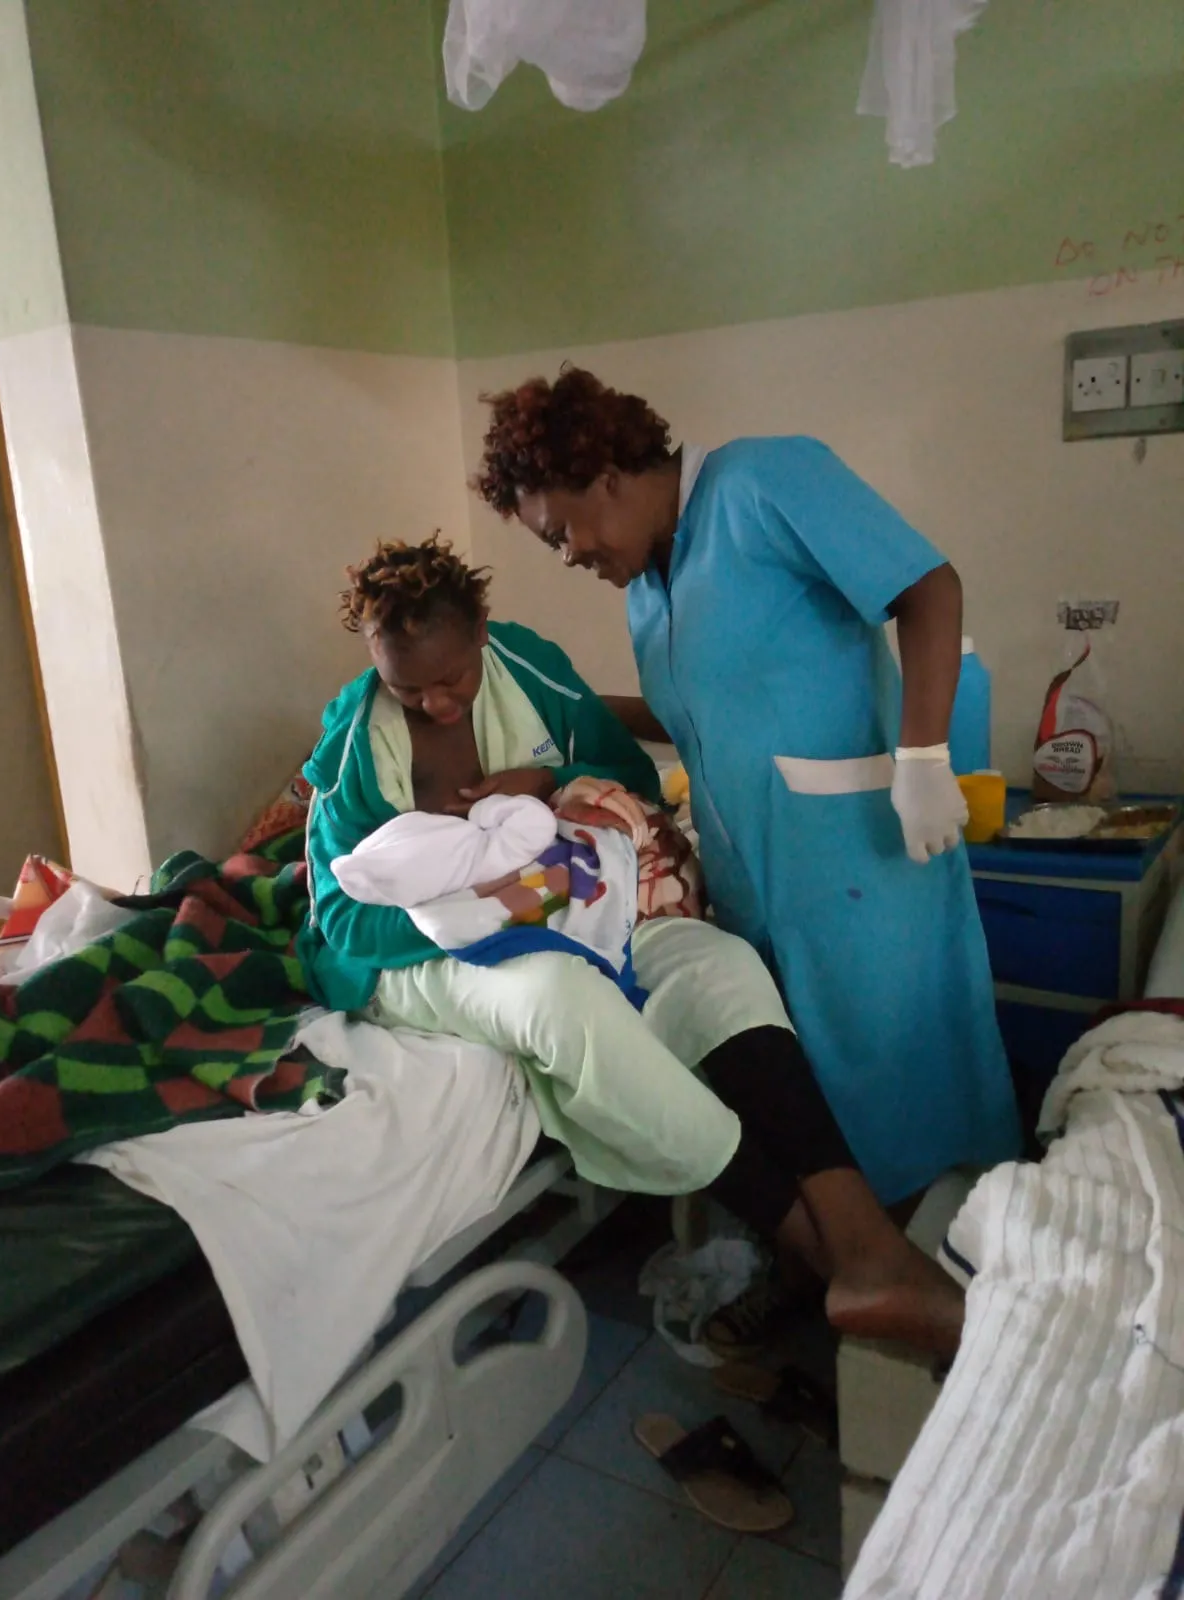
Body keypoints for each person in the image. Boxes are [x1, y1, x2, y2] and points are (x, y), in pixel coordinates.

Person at [298, 536, 967, 1355]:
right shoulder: (355, 748)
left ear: (482, 632)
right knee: (564, 999)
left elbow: (630, 780)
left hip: (575, 900)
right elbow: (343, 917)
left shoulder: (529, 669)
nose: (436, 704)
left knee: (718, 966)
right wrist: (486, 905)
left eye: (453, 680)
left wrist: (546, 787)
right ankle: (822, 1251)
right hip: (417, 951)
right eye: (409, 688)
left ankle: (865, 1238)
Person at [472, 369, 1021, 1213]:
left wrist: (923, 756)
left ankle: (964, 1271)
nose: (571, 554)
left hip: (863, 863)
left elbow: (927, 587)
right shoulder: (651, 589)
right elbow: (693, 712)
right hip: (752, 879)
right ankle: (848, 1272)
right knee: (812, 1096)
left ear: (606, 478)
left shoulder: (762, 482)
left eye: (560, 533)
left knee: (907, 1078)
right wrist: (545, 717)